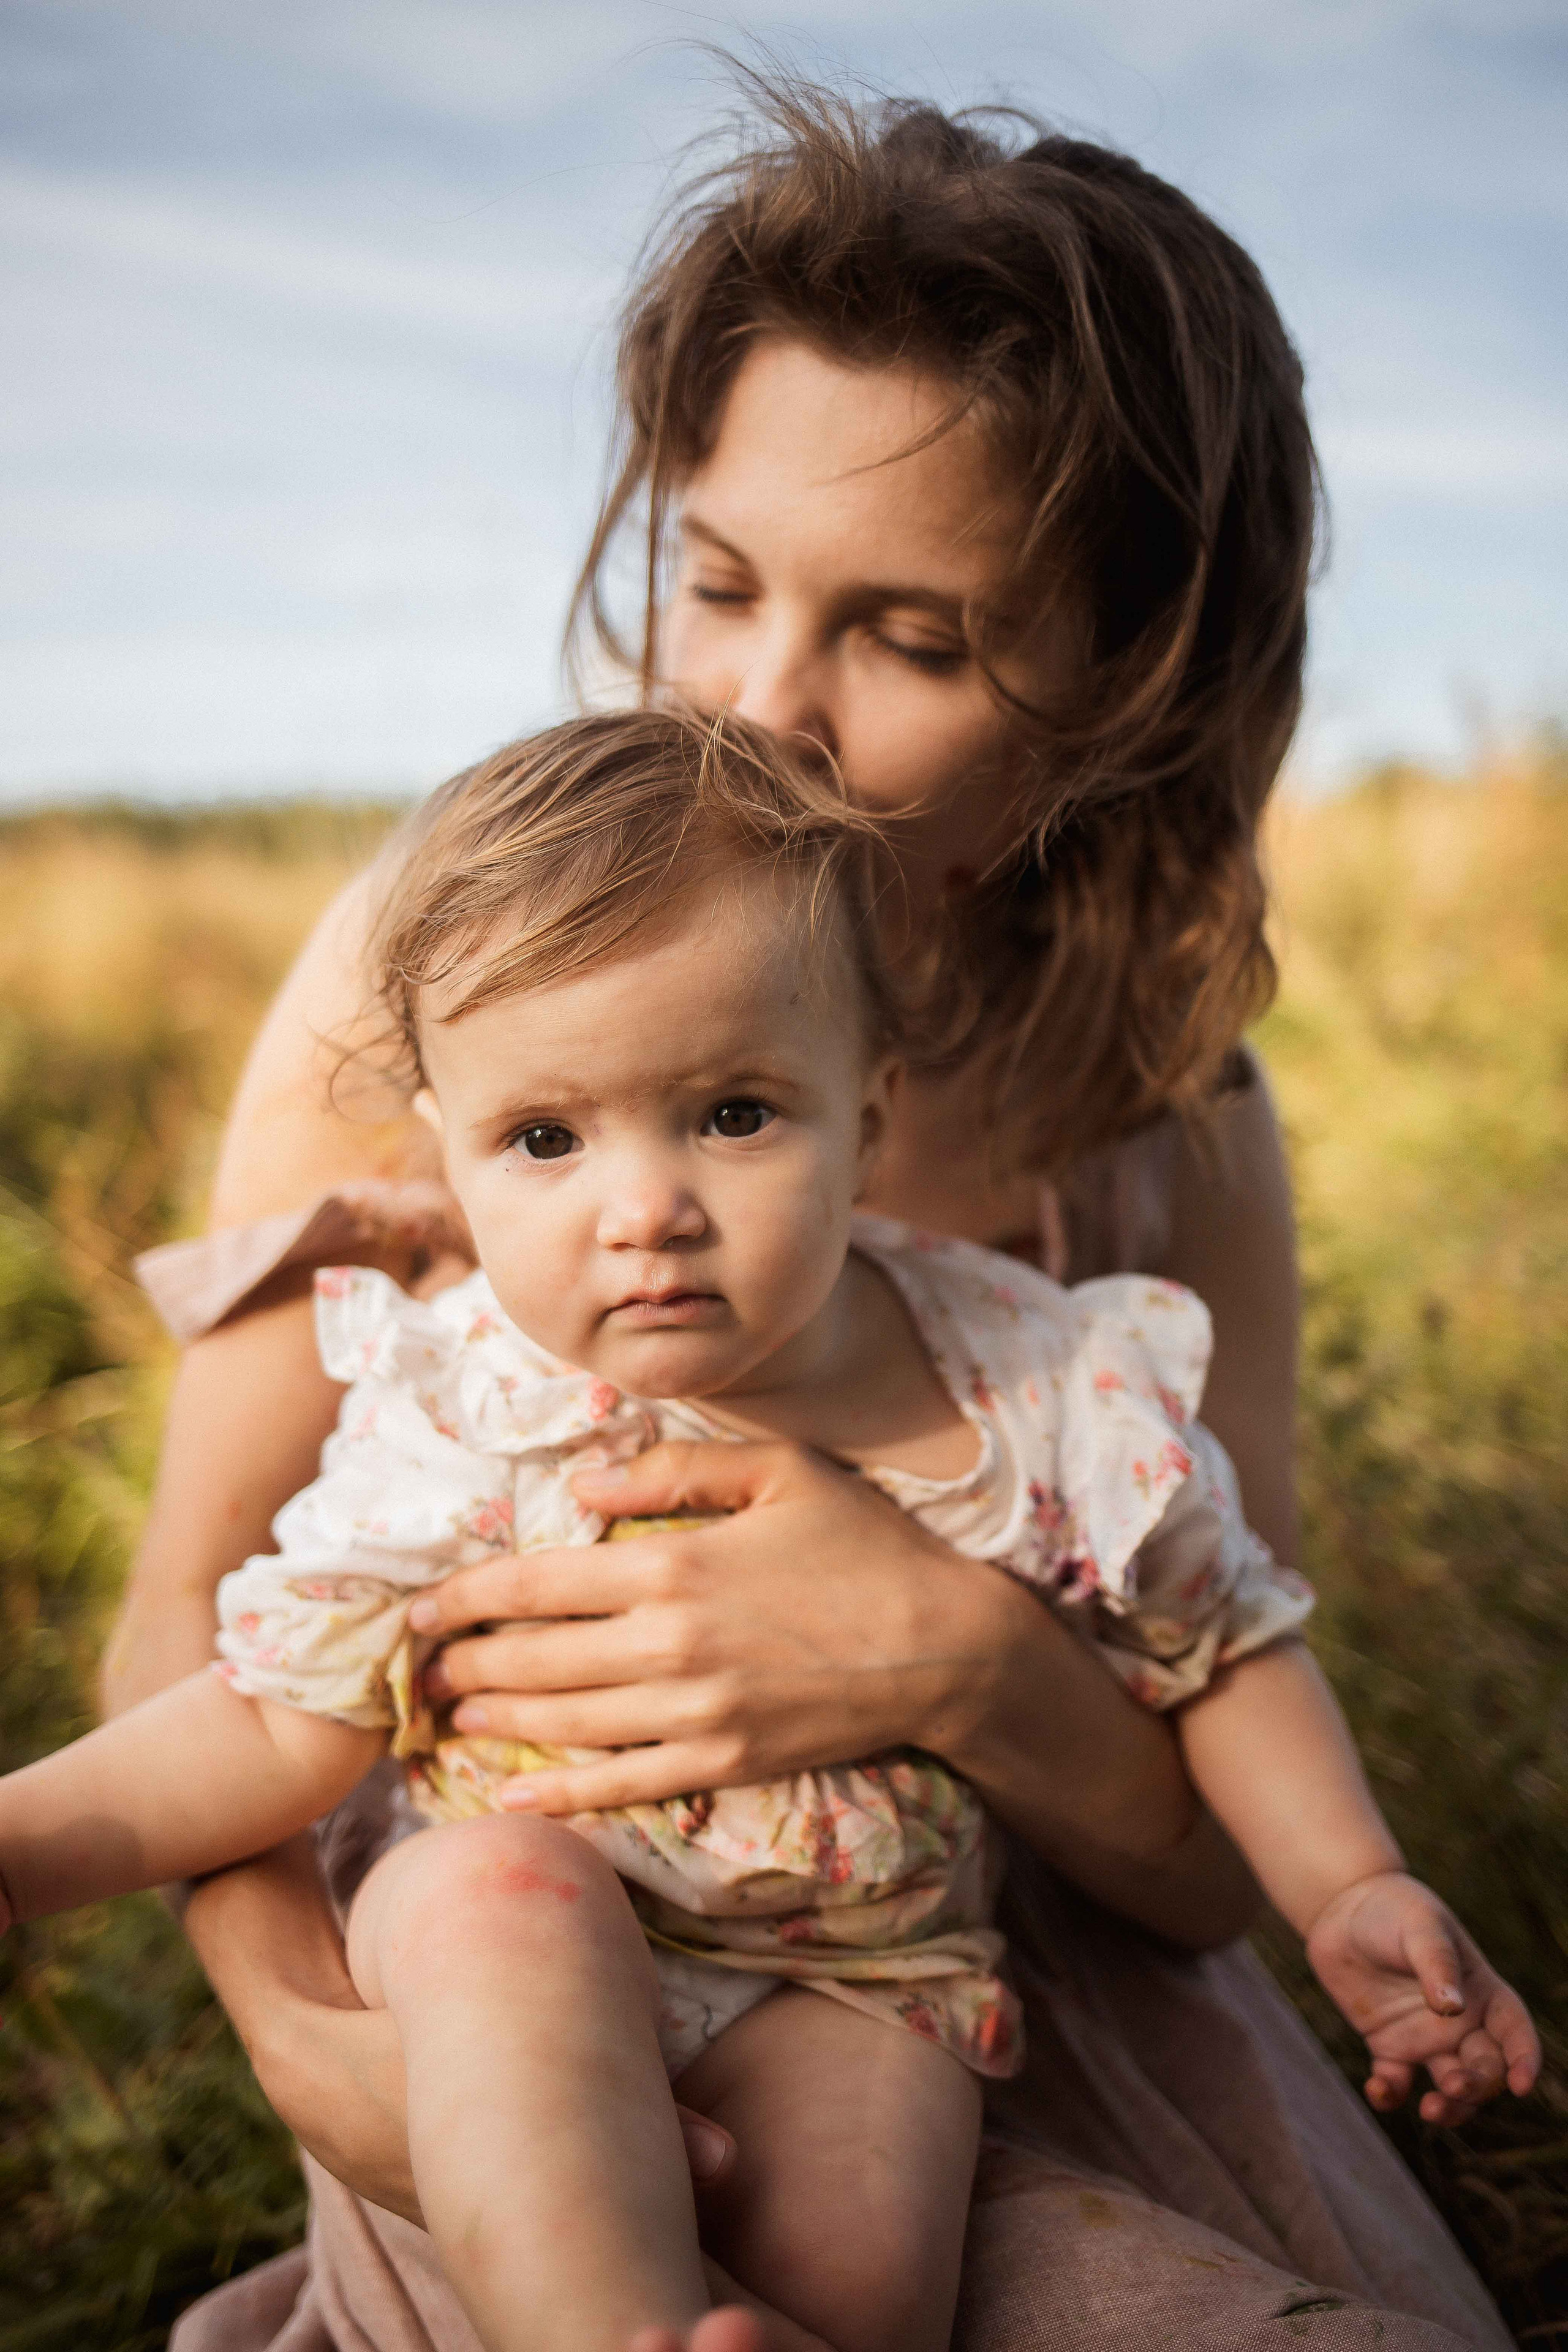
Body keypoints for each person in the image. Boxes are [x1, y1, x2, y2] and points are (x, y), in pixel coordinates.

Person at [105, 80, 1519, 2351]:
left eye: (919, 641)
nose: (764, 709)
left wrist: (956, 1659)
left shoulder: (1168, 1127)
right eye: (723, 580)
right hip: (533, 1968)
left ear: (1120, 700)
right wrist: (308, 2042)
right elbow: (195, 1606)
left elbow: (1188, 1860)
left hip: (974, 1991)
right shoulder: (469, 981)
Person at [7, 710, 1535, 2352]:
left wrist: (1350, 1881)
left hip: (862, 1971)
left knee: (865, 2258)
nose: (644, 1205)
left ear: (867, 1118)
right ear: (446, 1161)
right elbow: (273, 1715)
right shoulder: (474, 1407)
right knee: (500, 1922)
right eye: (547, 1138)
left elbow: (1221, 1645)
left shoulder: (1028, 1389)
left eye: (732, 1115)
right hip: (538, 1895)